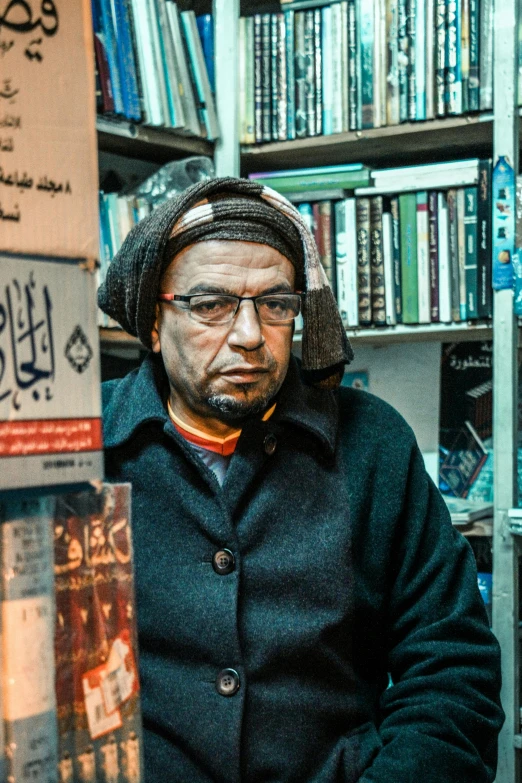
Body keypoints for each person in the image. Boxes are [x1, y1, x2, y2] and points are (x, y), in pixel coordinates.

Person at [98, 177, 503, 783]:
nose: (249, 335)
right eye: (209, 305)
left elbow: (452, 667)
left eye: (275, 304)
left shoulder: (372, 444)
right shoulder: (77, 446)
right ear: (154, 324)